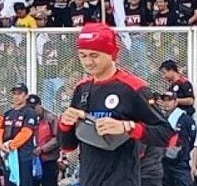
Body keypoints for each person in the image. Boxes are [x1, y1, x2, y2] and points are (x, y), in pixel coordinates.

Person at [58, 23, 174, 186]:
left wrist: (127, 127)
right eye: (83, 56)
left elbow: (167, 136)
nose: (88, 62)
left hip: (122, 179)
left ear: (111, 54)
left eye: (94, 55)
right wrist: (65, 124)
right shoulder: (81, 88)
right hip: (88, 180)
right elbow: (68, 146)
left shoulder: (133, 87)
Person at [1, 84, 37, 186]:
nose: (16, 96)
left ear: (26, 96)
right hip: (8, 156)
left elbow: (26, 132)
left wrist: (11, 145)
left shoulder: (29, 112)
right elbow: (1, 131)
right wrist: (0, 145)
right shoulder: (8, 113)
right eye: (14, 93)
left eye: (19, 93)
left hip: (23, 156)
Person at [28, 95, 60, 186]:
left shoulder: (51, 118)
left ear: (40, 105)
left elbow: (57, 139)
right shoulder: (29, 119)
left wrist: (42, 149)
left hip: (48, 159)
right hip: (33, 159)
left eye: (34, 107)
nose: (33, 110)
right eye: (30, 108)